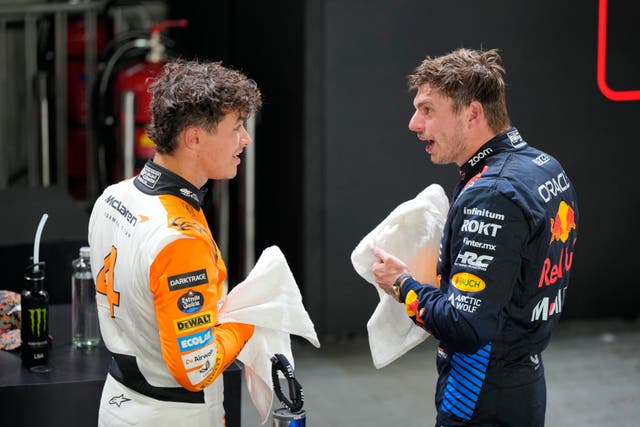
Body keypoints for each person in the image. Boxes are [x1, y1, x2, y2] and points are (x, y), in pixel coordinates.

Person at [371, 48, 579, 427]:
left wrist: (402, 284)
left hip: (479, 393)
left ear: (473, 114)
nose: (414, 124)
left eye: (428, 110)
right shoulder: (545, 167)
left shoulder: (493, 192)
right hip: (526, 381)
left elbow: (465, 326)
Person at [88, 60, 262, 427]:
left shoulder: (111, 198)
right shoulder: (178, 239)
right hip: (174, 415)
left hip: (118, 403)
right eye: (236, 128)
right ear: (194, 138)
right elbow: (197, 368)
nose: (244, 140)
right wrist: (253, 316)